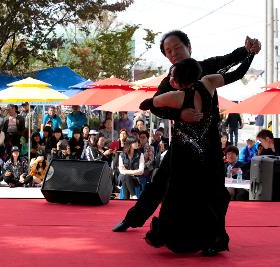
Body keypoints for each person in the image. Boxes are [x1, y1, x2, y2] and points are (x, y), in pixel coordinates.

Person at [112, 30, 261, 237]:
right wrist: (181, 114)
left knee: (216, 190)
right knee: (160, 183)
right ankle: (132, 219)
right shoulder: (169, 81)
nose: (173, 53)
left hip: (209, 142)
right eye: (168, 51)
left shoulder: (205, 69)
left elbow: (229, 61)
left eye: (177, 47)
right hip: (182, 144)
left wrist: (248, 51)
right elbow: (155, 106)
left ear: (188, 47)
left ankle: (214, 238)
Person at [133, 52, 255, 254]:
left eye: (173, 77)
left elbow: (146, 105)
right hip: (206, 154)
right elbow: (238, 73)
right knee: (203, 198)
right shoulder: (208, 83)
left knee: (177, 197)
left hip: (183, 156)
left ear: (179, 82)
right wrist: (250, 55)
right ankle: (209, 240)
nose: (170, 80)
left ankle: (176, 238)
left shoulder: (175, 96)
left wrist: (178, 114)